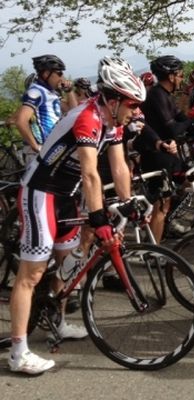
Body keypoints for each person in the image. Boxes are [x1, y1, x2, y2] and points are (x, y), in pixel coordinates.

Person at [8, 56, 145, 375]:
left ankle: (57, 318)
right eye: (133, 104)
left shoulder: (113, 122)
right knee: (32, 274)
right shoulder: (87, 118)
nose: (136, 111)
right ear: (114, 100)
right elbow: (90, 174)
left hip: (65, 196)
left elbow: (119, 165)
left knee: (68, 265)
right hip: (40, 192)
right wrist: (99, 219)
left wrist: (128, 203)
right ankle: (18, 351)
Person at [140, 55, 194, 242]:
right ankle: (153, 249)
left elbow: (181, 118)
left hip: (168, 154)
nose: (182, 78)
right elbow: (173, 128)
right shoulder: (156, 95)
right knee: (161, 205)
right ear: (170, 76)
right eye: (180, 74)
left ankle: (163, 225)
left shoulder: (166, 95)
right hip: (156, 154)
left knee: (186, 183)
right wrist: (192, 121)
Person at [14, 54, 76, 164]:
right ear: (47, 73)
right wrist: (35, 147)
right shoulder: (36, 91)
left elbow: (73, 111)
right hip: (39, 152)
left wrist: (69, 91)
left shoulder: (50, 93)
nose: (62, 77)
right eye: (59, 73)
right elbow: (20, 121)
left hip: (51, 149)